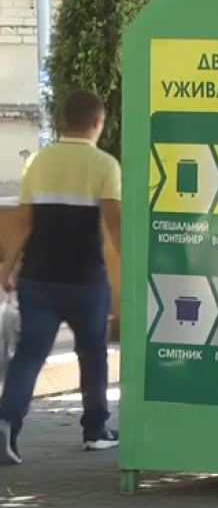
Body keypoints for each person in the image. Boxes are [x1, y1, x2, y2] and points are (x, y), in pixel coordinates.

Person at [0, 89, 121, 466]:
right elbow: (114, 223)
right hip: (85, 279)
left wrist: (5, 271)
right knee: (93, 354)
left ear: (62, 120)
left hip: (38, 278)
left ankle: (6, 423)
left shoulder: (37, 162)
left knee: (29, 355)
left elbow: (23, 223)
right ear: (97, 122)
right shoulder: (104, 165)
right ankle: (96, 430)